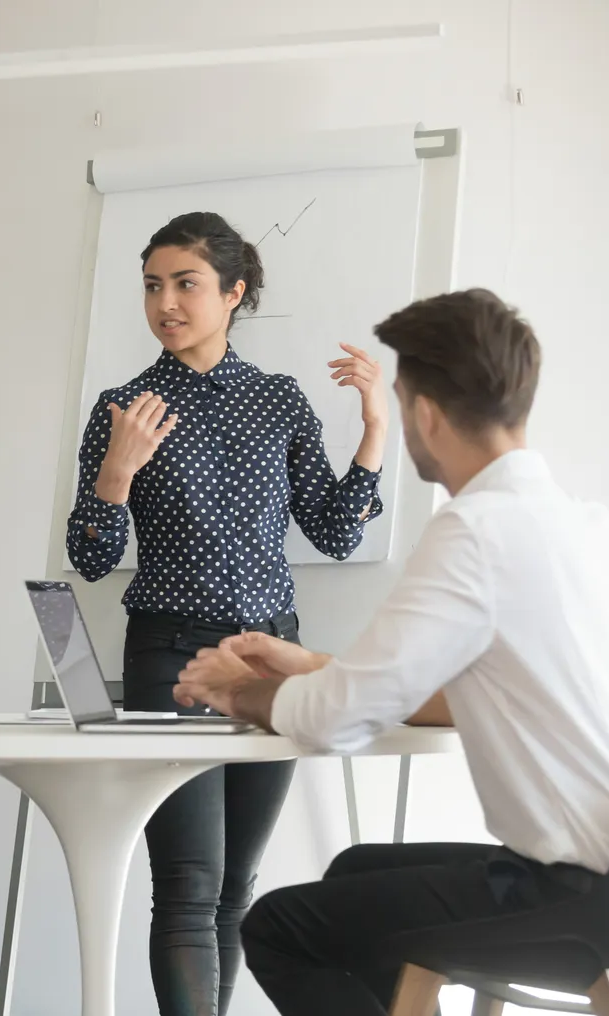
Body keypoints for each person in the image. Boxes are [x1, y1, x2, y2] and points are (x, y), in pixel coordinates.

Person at [173, 289, 609, 1016]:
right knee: (352, 871)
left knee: (281, 928)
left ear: (424, 414)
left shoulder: (475, 530)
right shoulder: (590, 528)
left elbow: (332, 724)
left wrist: (234, 690)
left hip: (577, 903)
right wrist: (319, 668)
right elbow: (466, 690)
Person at [65, 211, 388, 1014]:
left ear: (233, 293)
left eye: (186, 284)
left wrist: (375, 429)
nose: (165, 303)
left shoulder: (279, 401)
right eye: (152, 286)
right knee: (186, 884)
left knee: (235, 887)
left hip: (273, 664)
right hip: (169, 661)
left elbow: (337, 532)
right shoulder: (124, 407)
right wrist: (114, 474)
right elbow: (93, 559)